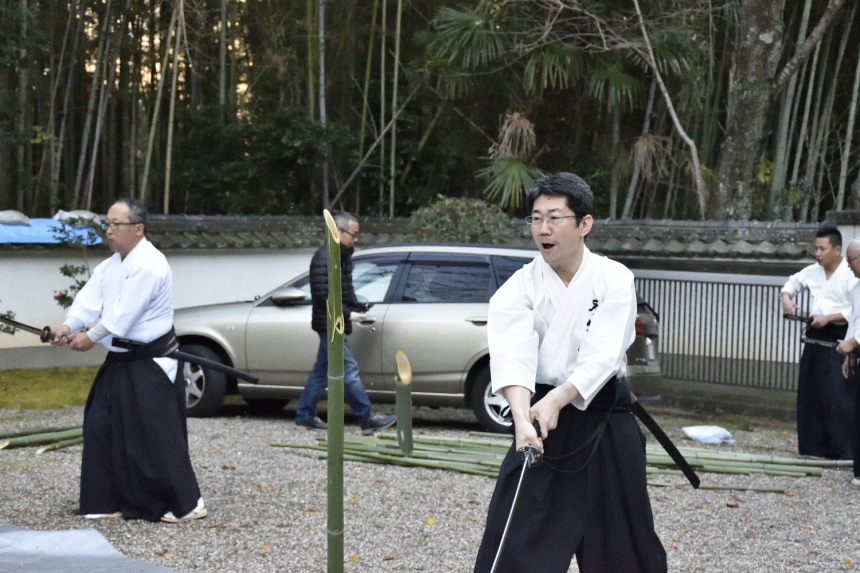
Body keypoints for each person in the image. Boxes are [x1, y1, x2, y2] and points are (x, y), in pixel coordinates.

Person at [474, 173, 666, 572]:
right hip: (542, 428)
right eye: (535, 218)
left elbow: (603, 352)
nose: (542, 229)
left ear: (584, 224)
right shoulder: (519, 287)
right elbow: (513, 356)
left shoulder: (614, 278)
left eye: (554, 217)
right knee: (517, 540)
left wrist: (560, 398)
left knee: (623, 548)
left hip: (604, 421)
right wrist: (521, 420)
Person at [50, 198, 206, 523]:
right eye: (106, 223)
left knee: (155, 436)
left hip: (151, 360)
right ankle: (105, 500)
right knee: (100, 425)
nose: (109, 230)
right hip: (120, 360)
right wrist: (68, 326)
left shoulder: (151, 263)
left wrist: (90, 337)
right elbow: (88, 301)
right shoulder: (111, 265)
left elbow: (123, 314)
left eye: (116, 224)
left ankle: (186, 504)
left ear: (138, 229)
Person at [294, 212, 396, 435]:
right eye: (353, 234)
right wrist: (348, 314)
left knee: (321, 370)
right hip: (331, 323)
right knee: (349, 370)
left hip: (334, 321)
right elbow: (323, 295)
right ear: (338, 232)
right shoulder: (326, 257)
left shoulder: (341, 255)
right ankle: (366, 417)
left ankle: (305, 414)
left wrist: (358, 307)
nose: (356, 239)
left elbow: (345, 291)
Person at [781, 224, 857, 460]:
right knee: (811, 391)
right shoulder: (813, 271)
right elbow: (792, 282)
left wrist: (829, 318)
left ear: (837, 249)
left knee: (837, 394)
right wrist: (786, 297)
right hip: (815, 334)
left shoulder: (851, 273)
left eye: (823, 249)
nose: (818, 253)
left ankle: (843, 450)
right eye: (816, 248)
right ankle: (814, 448)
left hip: (841, 336)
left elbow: (855, 310)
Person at [836, 237, 860, 484]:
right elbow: (855, 320)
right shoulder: (856, 288)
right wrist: (849, 353)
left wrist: (852, 343)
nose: (849, 266)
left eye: (851, 260)